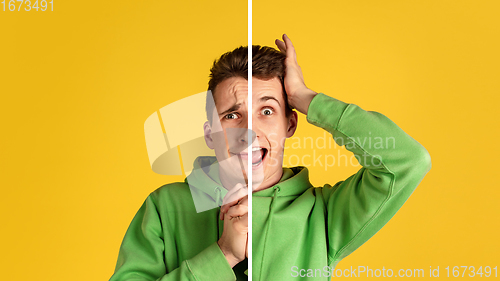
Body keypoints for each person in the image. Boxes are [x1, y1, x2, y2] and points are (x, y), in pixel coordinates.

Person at [109, 34, 431, 281]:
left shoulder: (322, 216)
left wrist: (308, 99)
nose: (249, 130)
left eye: (267, 110)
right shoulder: (165, 208)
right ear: (210, 134)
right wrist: (221, 256)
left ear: (290, 123)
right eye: (232, 116)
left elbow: (407, 161)